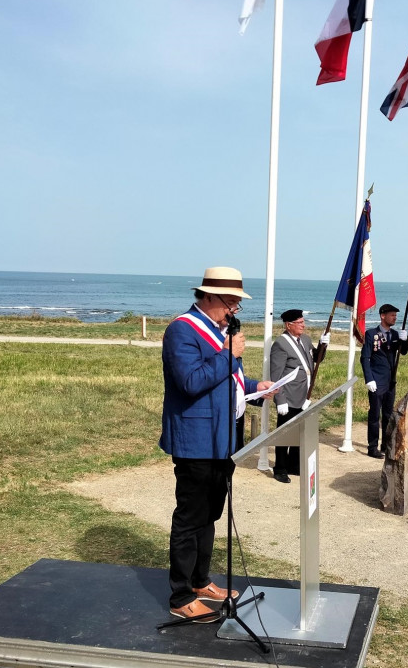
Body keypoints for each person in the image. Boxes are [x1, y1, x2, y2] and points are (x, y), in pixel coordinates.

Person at [160, 266, 274, 622]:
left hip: (224, 440)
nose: (235, 310)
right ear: (208, 296)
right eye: (231, 303)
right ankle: (180, 597)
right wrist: (229, 355)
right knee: (190, 518)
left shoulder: (219, 333)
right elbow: (191, 381)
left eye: (237, 304)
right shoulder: (183, 330)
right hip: (196, 442)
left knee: (211, 516)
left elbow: (230, 380)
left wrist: (257, 388)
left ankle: (200, 581)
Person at [269, 309, 330, 483]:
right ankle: (280, 468)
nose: (303, 325)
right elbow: (276, 375)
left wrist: (323, 345)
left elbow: (316, 359)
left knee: (299, 432)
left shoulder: (305, 339)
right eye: (299, 323)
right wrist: (279, 399)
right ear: (289, 325)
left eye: (303, 322)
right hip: (288, 396)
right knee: (284, 434)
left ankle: (294, 465)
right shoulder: (280, 344)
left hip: (304, 395)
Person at [360, 303, 408, 458]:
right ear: (383, 316)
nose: (395, 317)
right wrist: (369, 379)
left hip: (390, 382)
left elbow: (404, 352)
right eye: (392, 315)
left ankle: (386, 444)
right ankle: (372, 447)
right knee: (375, 415)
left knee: (388, 415)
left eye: (395, 315)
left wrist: (405, 340)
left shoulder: (395, 335)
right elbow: (365, 358)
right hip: (376, 381)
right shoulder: (371, 334)